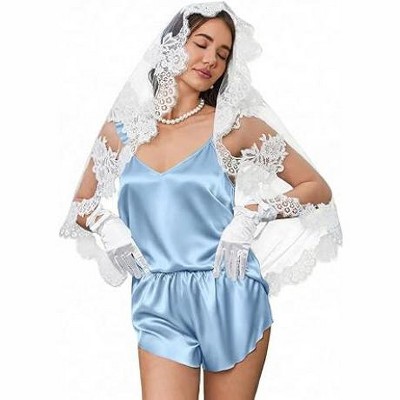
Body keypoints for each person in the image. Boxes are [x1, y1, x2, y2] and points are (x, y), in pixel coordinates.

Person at [59, 2, 343, 399]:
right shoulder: (121, 131)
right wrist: (105, 223)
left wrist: (254, 214)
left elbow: (316, 187)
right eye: (202, 43)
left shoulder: (235, 128)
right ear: (172, 44)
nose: (211, 60)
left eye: (223, 54)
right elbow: (80, 204)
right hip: (158, 297)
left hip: (229, 293)